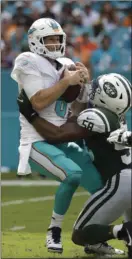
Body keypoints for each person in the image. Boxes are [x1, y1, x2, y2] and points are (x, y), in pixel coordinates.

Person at [11, 18, 103, 253]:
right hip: (36, 141)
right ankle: (54, 230)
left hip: (61, 139)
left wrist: (83, 84)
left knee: (101, 188)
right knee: (72, 175)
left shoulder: (65, 62)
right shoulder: (27, 60)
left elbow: (78, 109)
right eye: (49, 39)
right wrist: (66, 82)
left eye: (57, 39)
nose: (54, 43)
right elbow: (38, 101)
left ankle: (92, 236)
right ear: (35, 41)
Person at [17, 73, 131, 256]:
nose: (91, 90)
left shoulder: (97, 116)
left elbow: (57, 134)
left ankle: (124, 231)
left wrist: (31, 114)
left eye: (96, 89)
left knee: (80, 234)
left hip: (119, 182)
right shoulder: (115, 116)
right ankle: (119, 236)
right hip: (126, 175)